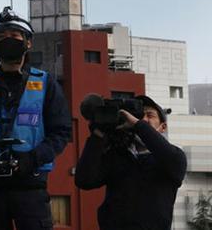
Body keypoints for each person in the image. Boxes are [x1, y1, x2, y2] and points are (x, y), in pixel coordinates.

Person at [0, 7, 72, 230]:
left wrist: (31, 159)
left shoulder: (46, 83)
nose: (8, 40)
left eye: (14, 35)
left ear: (28, 42)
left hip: (31, 186)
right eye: (1, 37)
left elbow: (61, 132)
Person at [75, 94, 187, 230]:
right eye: (139, 115)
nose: (143, 119)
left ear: (163, 127)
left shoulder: (173, 157)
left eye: (150, 115)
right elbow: (84, 180)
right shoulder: (117, 155)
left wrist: (138, 124)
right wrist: (98, 135)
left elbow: (170, 157)